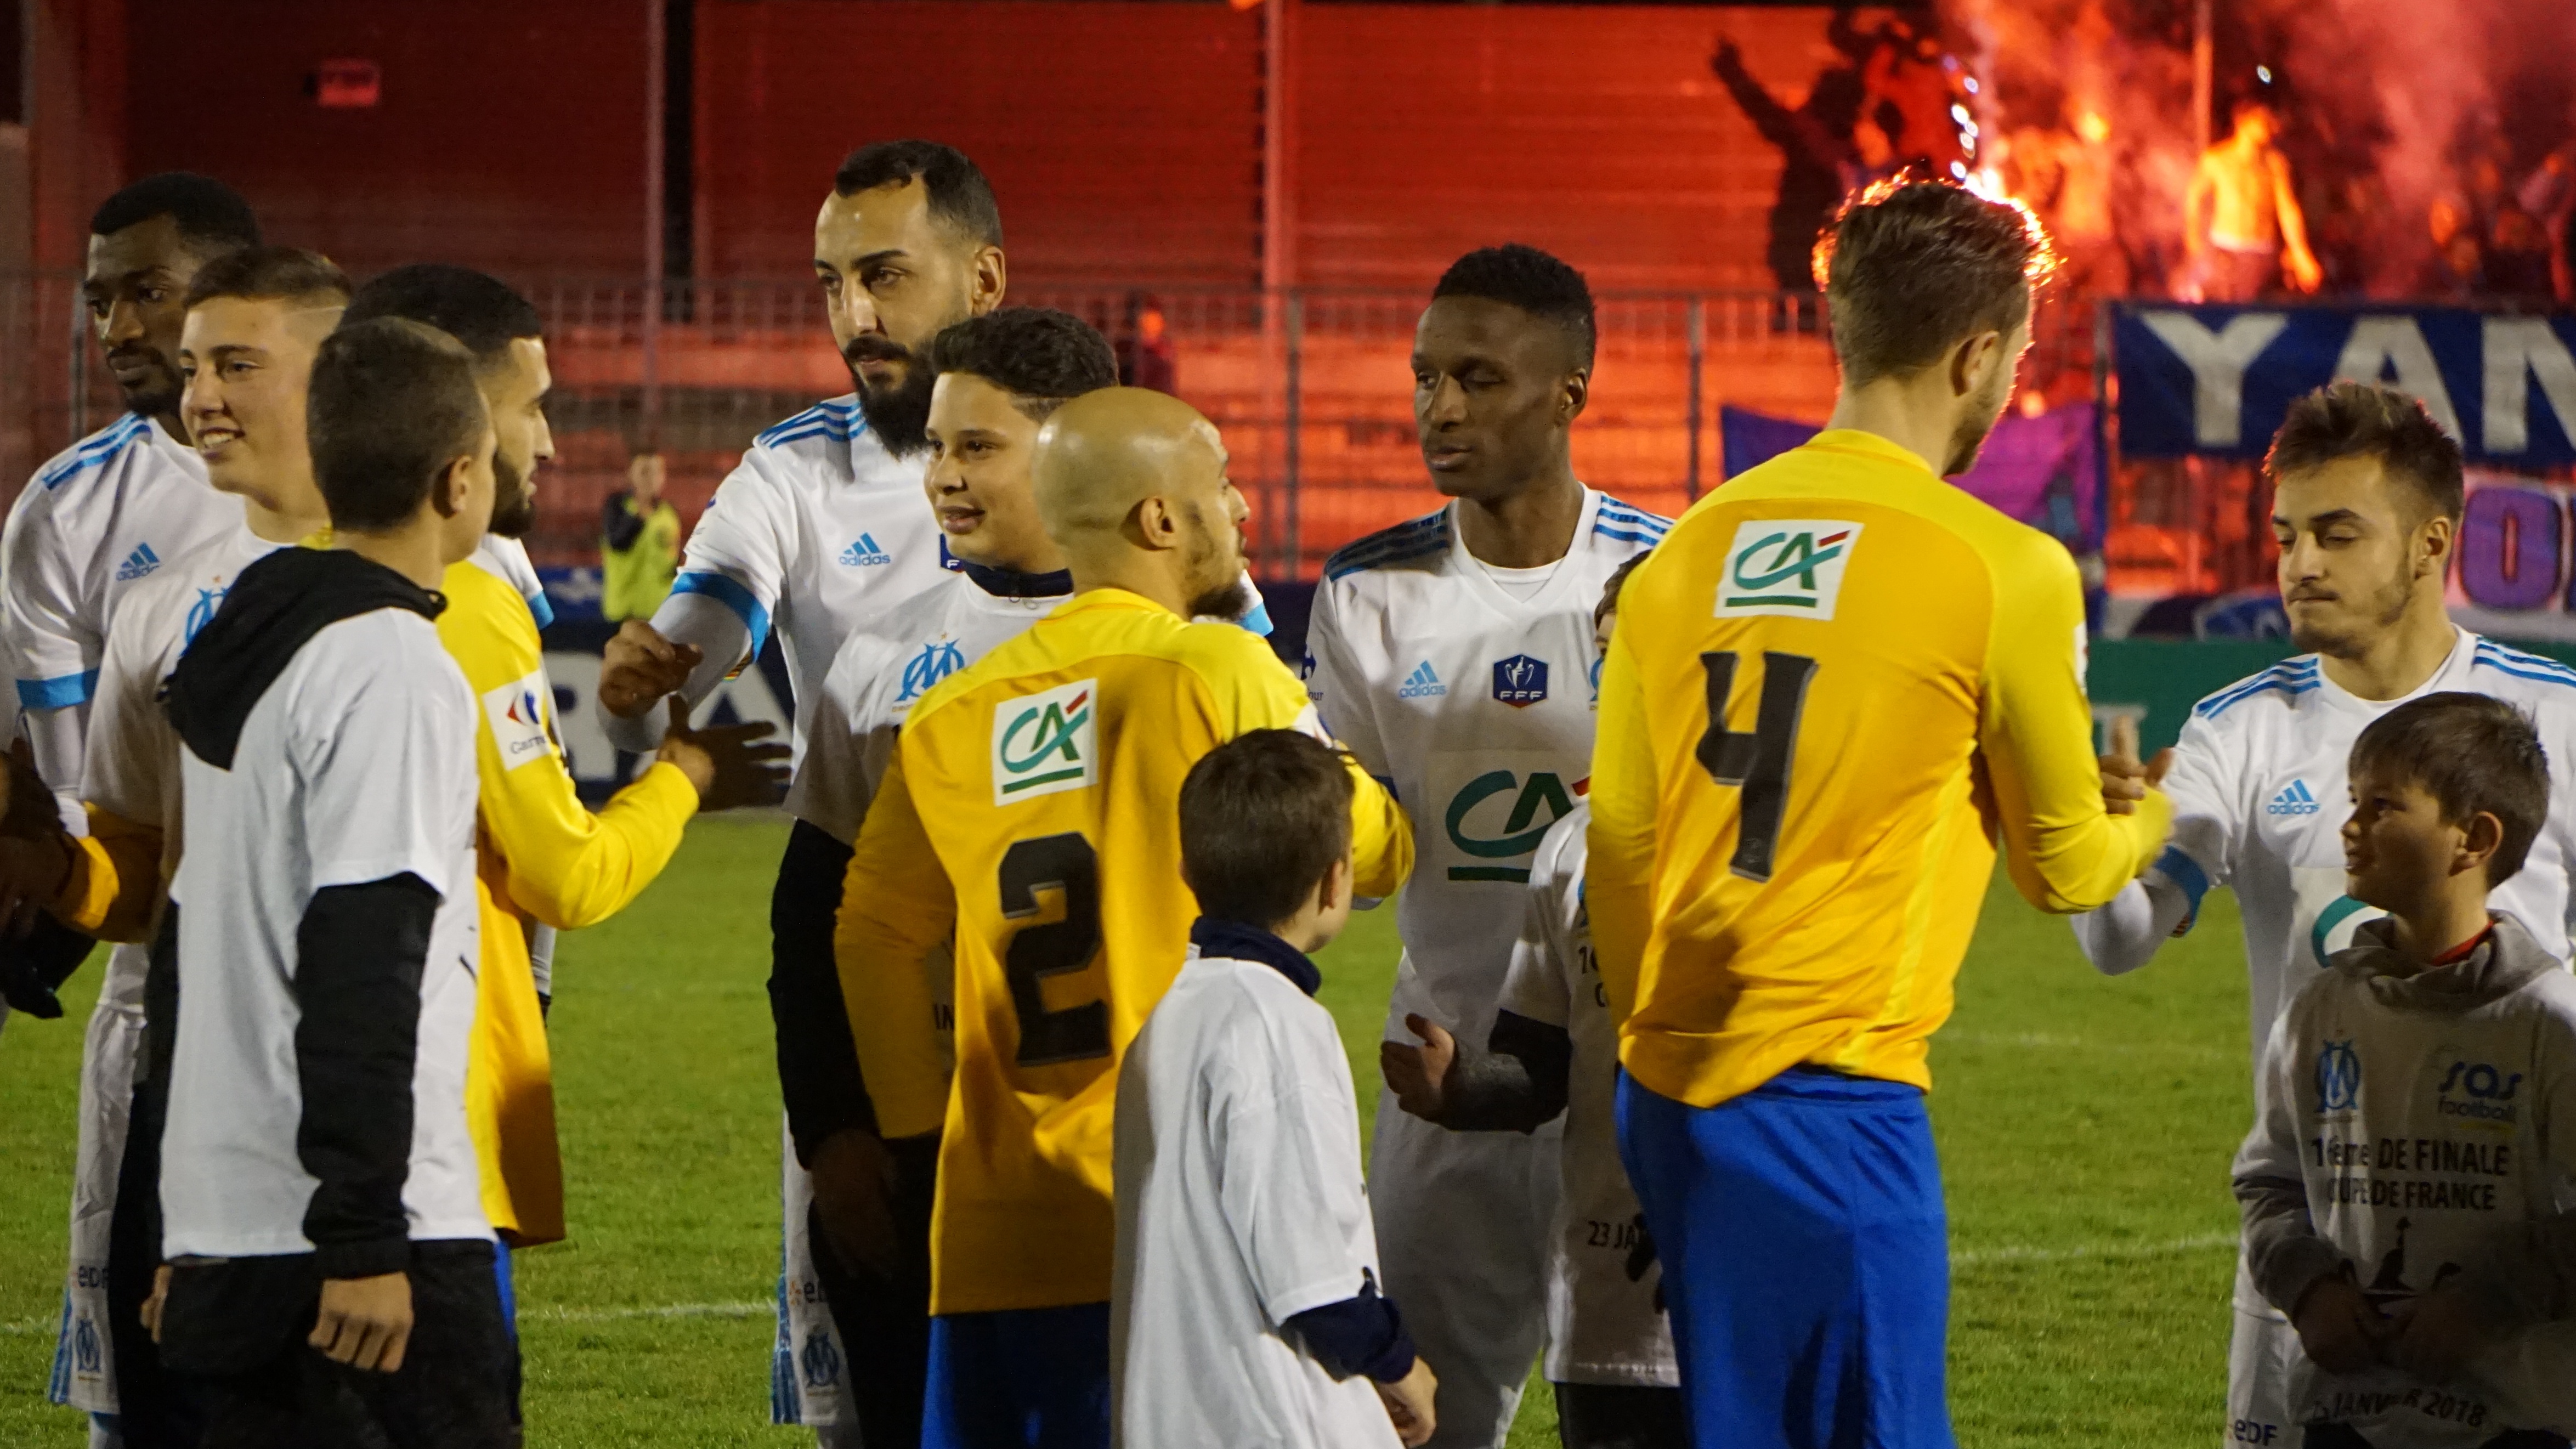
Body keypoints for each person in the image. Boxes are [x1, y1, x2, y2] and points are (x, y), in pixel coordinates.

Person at [1587, 177, 2172, 1447]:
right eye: (2014, 360)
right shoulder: (2000, 565)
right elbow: (2068, 869)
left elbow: (1624, 853)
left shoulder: (1686, 549)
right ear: (1975, 355)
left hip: (1673, 1085)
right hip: (1832, 1097)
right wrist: (2162, 813)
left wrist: (1665, 1047)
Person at [832, 387, 1412, 1449]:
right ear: (1160, 519)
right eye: (1220, 484)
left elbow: (870, 937)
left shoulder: (955, 706)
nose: (1238, 508)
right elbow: (1371, 848)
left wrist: (922, 1145)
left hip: (992, 1231)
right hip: (1175, 1220)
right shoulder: (1218, 668)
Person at [2071, 380, 2576, 1448]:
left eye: (2336, 534)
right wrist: (2088, 848)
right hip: (2314, 1271)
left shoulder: (2552, 722)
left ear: (2429, 542)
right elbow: (2120, 941)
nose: (2298, 563)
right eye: (2285, 534)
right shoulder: (2239, 731)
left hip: (2523, 1282)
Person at [584, 141, 998, 1442]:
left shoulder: (1105, 451)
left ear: (981, 277)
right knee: (871, 1357)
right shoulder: (796, 466)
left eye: (884, 276)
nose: (853, 318)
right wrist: (670, 651)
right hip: (863, 965)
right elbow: (720, 590)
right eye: (831, 284)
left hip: (1057, 980)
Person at [339, 264, 786, 1424]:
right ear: (449, 415)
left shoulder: (279, 590)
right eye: (529, 406)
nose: (548, 440)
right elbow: (566, 872)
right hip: (430, 1133)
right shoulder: (464, 601)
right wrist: (687, 777)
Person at [1303, 242, 1667, 1449]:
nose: (1438, 407)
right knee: (1417, 1427)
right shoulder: (1367, 595)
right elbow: (1342, 864)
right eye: (1423, 378)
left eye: (1476, 377)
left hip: (1625, 1097)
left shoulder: (1665, 580)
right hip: (1438, 1070)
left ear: (1569, 393)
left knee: (1641, 1423)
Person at [0, 244, 346, 1449]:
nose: (201, 397)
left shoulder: (457, 580)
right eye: (195, 368)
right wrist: (51, 862)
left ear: (336, 375)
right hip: (183, 1075)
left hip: (378, 1082)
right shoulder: (159, 608)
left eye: (238, 366)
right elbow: (139, 873)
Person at [151, 315, 506, 1445]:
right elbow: (366, 953)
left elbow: (184, 950)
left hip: (227, 1232)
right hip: (351, 1252)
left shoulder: (247, 647)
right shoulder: (391, 664)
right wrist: (364, 1239)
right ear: (458, 480)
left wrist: (184, 1224)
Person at [785, 305, 1116, 1447]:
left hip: (1110, 1158)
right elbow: (808, 916)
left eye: (977, 446)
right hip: (906, 1148)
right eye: (932, 446)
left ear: (1074, 446)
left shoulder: (1172, 652)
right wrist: (833, 1130)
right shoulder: (876, 657)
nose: (942, 477)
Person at [1379, 554, 1681, 1449]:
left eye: (1642, 647)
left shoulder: (1781, 829)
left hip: (1738, 1273)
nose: (1613, 673)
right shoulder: (1569, 846)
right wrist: (1460, 1090)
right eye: (1604, 650)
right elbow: (1540, 1067)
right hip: (1607, 1299)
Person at [2235, 692, 2576, 1448]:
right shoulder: (2320, 1009)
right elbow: (2268, 1180)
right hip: (2343, 1416)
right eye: (2354, 801)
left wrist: (2486, 1303)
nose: (2350, 827)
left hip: (2510, 1420)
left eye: (2382, 806)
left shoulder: (2548, 1022)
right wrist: (2310, 1287)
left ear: (2473, 838)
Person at [1113, 729, 1439, 1449]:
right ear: (1335, 881)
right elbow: (1313, 1274)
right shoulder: (1275, 1022)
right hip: (1272, 1419)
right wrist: (1398, 1363)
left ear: (1186, 868)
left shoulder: (1168, 1014)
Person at [0, 176, 259, 1074]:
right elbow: (64, 783)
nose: (115, 331)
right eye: (100, 301)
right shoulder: (64, 512)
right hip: (143, 943)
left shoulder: (362, 491)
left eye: (148, 293)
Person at [2183, 99, 2323, 302]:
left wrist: (2300, 252)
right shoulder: (2216, 160)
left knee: (2249, 308)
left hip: (2259, 252)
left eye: (2270, 121)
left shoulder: (2276, 164)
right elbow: (2194, 198)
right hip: (2223, 249)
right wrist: (2193, 236)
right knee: (2213, 304)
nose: (2270, 127)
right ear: (2244, 123)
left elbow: (2287, 209)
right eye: (2263, 121)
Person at [601, 447, 682, 623]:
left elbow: (672, 563)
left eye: (657, 472)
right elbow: (617, 543)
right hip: (623, 611)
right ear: (630, 475)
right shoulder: (618, 506)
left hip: (659, 611)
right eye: (644, 472)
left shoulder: (669, 514)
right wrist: (640, 516)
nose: (651, 479)